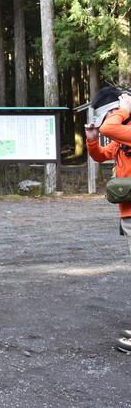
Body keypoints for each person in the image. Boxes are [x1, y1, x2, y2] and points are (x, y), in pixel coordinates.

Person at [85, 87, 131, 352]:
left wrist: (123, 110)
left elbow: (110, 129)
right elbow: (103, 153)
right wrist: (92, 140)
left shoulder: (123, 126)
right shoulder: (124, 133)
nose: (110, 118)